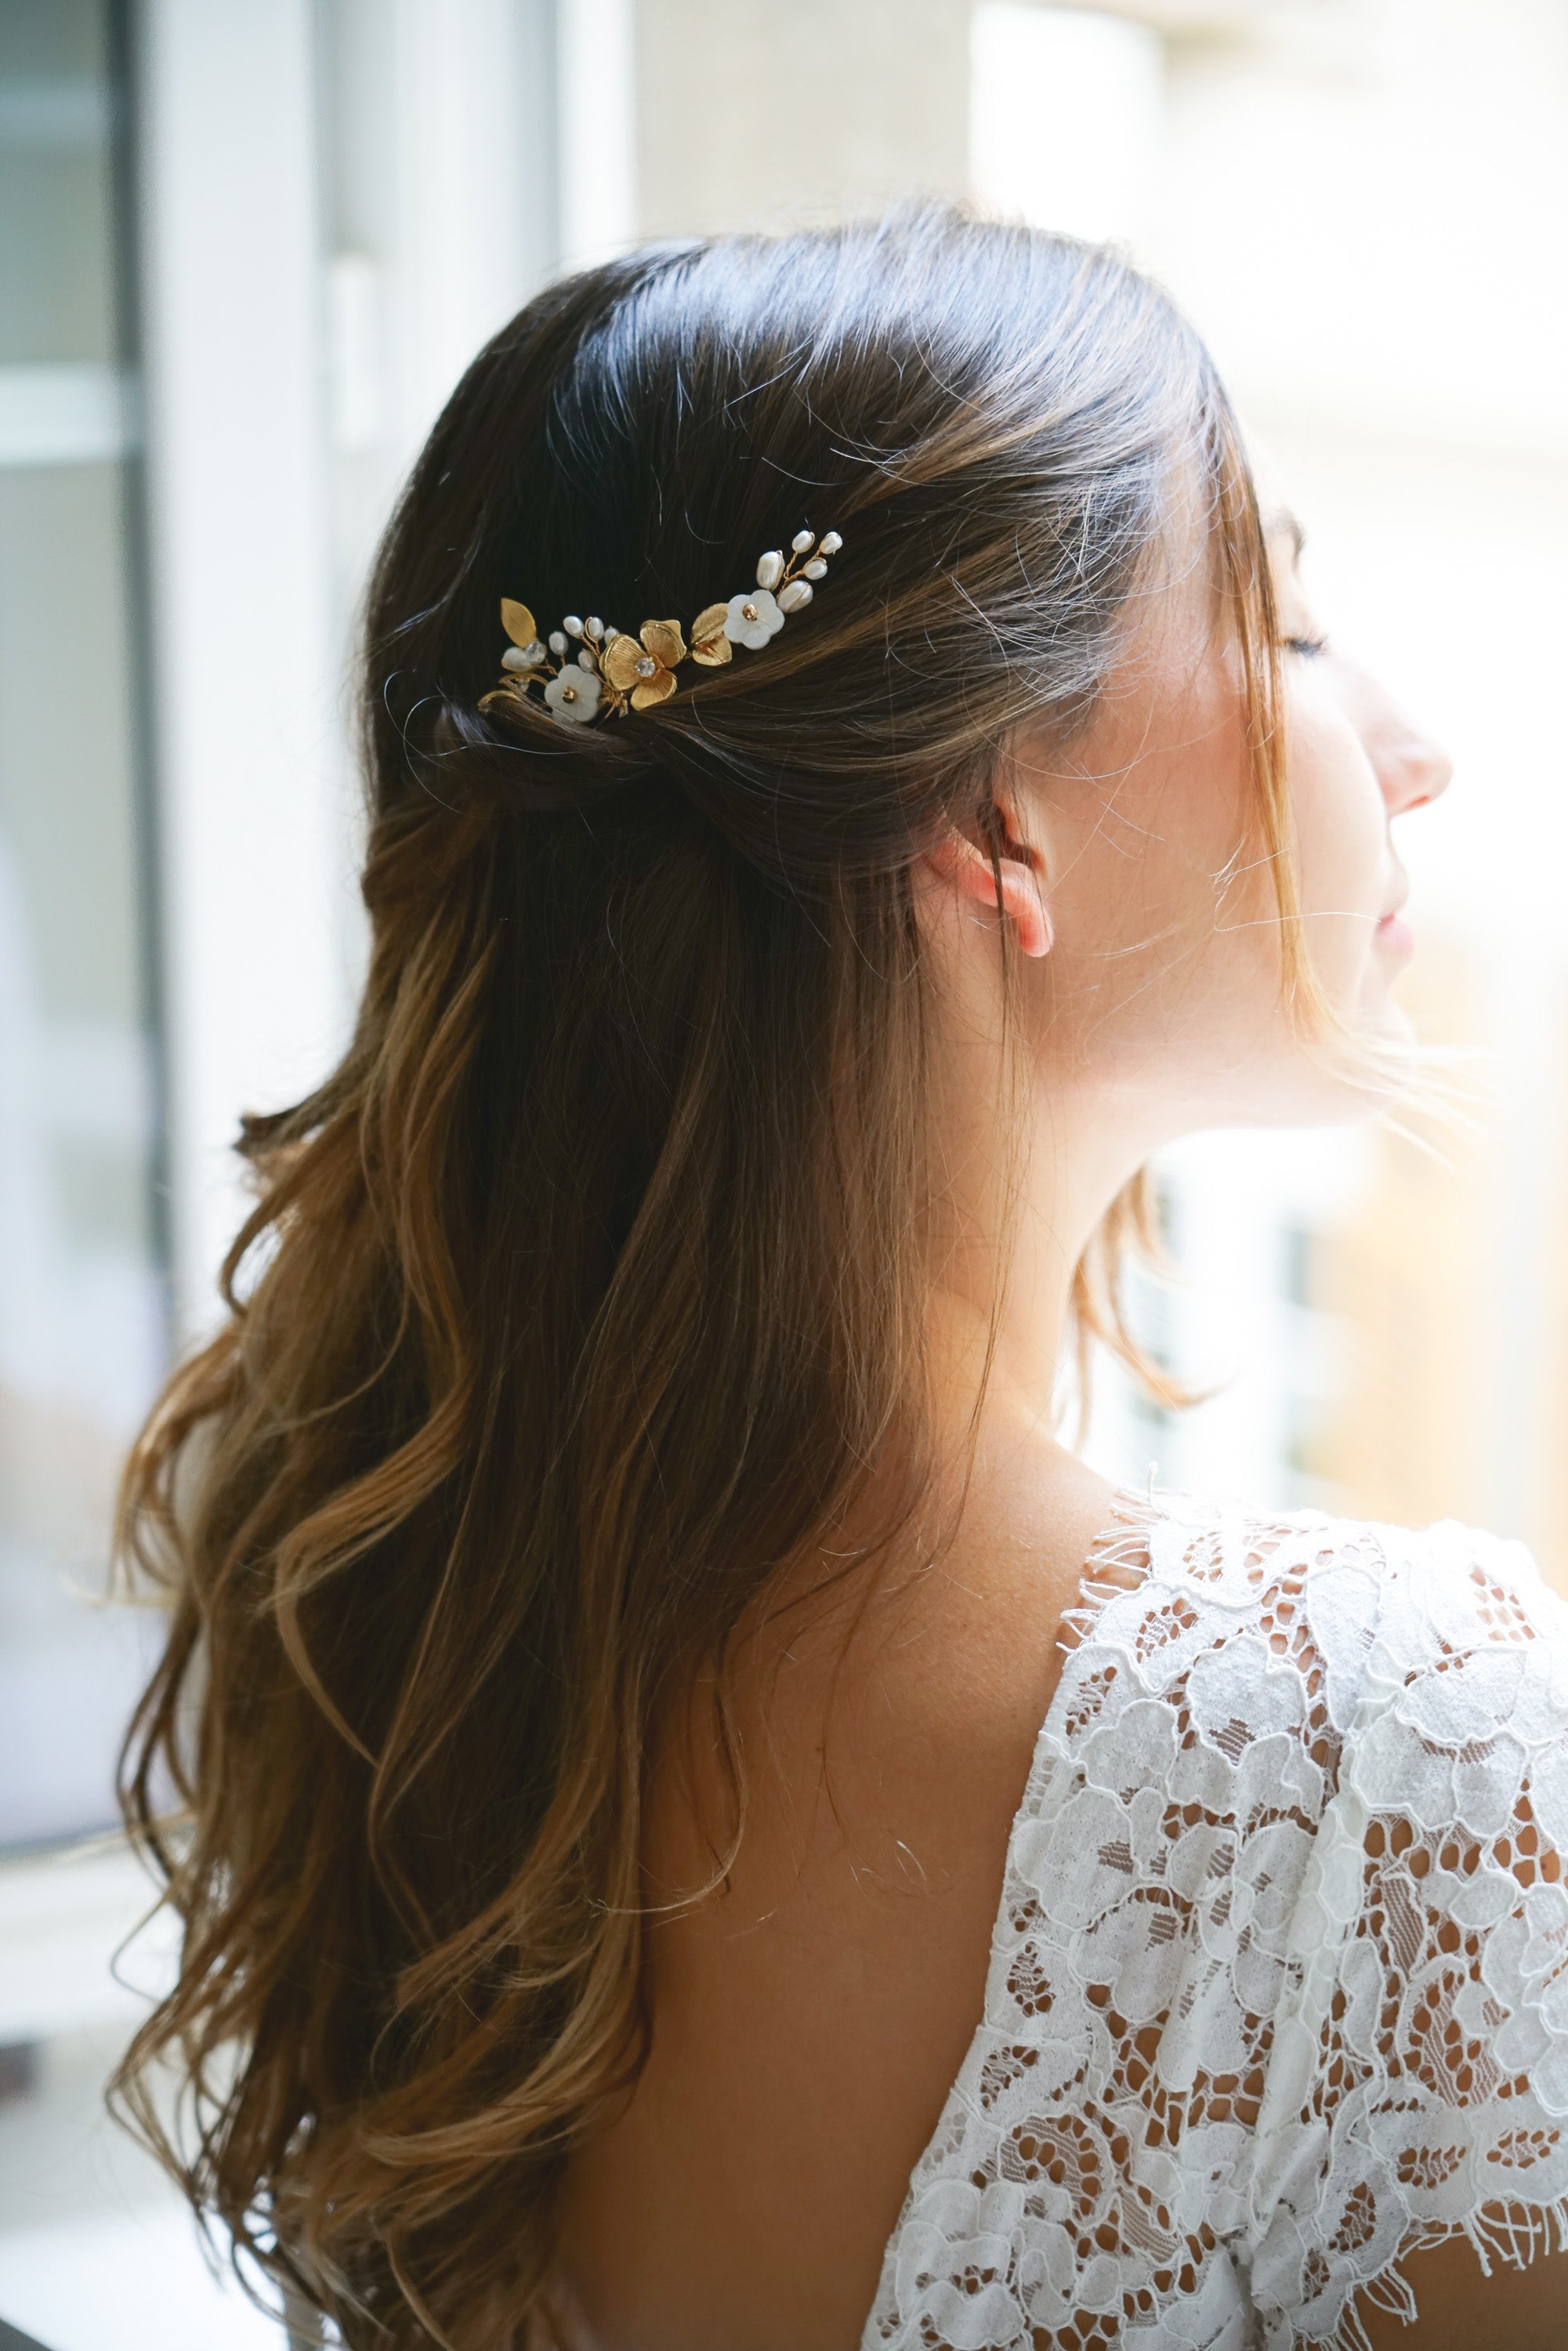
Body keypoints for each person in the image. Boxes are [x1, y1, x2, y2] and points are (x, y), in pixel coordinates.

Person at [112, 208, 1568, 2351]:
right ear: (998, 824)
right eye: (1289, 615)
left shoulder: (383, 1635)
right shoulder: (1388, 1746)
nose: (1411, 744)